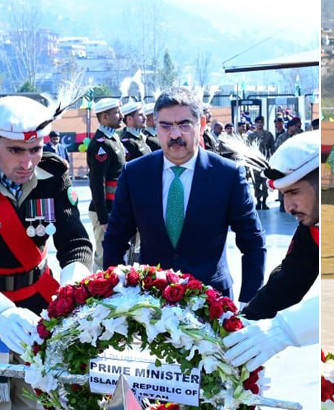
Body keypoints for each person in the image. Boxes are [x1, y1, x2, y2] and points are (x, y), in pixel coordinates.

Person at [102, 86, 266, 304]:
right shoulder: (135, 174)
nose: (175, 135)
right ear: (155, 126)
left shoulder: (228, 175)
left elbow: (253, 242)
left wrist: (248, 306)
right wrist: (117, 297)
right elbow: (115, 239)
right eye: (166, 126)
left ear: (202, 124)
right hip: (151, 305)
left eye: (184, 124)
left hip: (212, 304)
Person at [0, 95, 92, 410]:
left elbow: (76, 243)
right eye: (15, 150)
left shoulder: (53, 175)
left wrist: (71, 288)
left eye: (35, 149)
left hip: (37, 310)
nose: (27, 162)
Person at [224, 130, 319, 370]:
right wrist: (244, 324)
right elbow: (290, 278)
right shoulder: (313, 224)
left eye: (294, 192)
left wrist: (284, 330)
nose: (288, 207)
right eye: (283, 196)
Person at [86, 98, 126, 271]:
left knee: (118, 255)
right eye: (117, 112)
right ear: (104, 117)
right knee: (103, 257)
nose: (121, 116)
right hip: (106, 210)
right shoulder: (100, 144)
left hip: (116, 207)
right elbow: (97, 183)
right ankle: (96, 294)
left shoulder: (113, 139)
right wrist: (103, 217)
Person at [247, 115, 274, 209]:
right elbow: (248, 149)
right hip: (255, 163)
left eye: (261, 122)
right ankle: (258, 201)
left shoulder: (269, 135)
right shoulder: (251, 135)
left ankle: (265, 201)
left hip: (266, 163)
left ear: (263, 123)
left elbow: (272, 148)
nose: (259, 124)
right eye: (258, 122)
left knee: (265, 183)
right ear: (255, 123)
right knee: (256, 183)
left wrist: (273, 161)